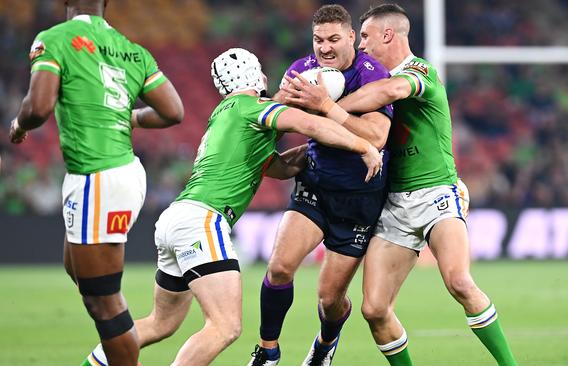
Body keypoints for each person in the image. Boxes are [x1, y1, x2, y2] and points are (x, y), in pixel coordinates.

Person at [81, 47, 383, 366]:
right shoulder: (252, 107)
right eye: (262, 72)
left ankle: (95, 361)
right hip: (203, 220)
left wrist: (310, 155)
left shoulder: (226, 114)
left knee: (161, 323)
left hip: (177, 218)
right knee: (225, 327)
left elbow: (275, 167)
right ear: (253, 75)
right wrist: (362, 145)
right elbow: (310, 124)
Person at [283, 4, 519, 366]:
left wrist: (327, 107)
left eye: (365, 36)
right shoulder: (363, 77)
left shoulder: (417, 70)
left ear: (388, 35)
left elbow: (392, 90)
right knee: (374, 309)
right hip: (393, 203)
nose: (360, 45)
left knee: (458, 281)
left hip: (436, 193)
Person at [8, 1, 184, 365]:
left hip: (99, 176)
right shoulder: (132, 49)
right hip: (122, 173)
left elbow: (38, 108)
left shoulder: (54, 39)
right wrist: (131, 117)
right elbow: (173, 110)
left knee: (103, 301)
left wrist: (19, 124)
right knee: (78, 270)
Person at [247, 4, 393, 366]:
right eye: (317, 40)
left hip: (359, 200)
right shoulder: (302, 72)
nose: (324, 48)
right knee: (279, 267)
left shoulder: (372, 74)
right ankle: (268, 352)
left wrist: (325, 105)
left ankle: (325, 345)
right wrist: (281, 100)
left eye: (332, 39)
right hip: (314, 187)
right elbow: (275, 117)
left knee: (329, 300)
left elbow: (377, 135)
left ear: (352, 39)